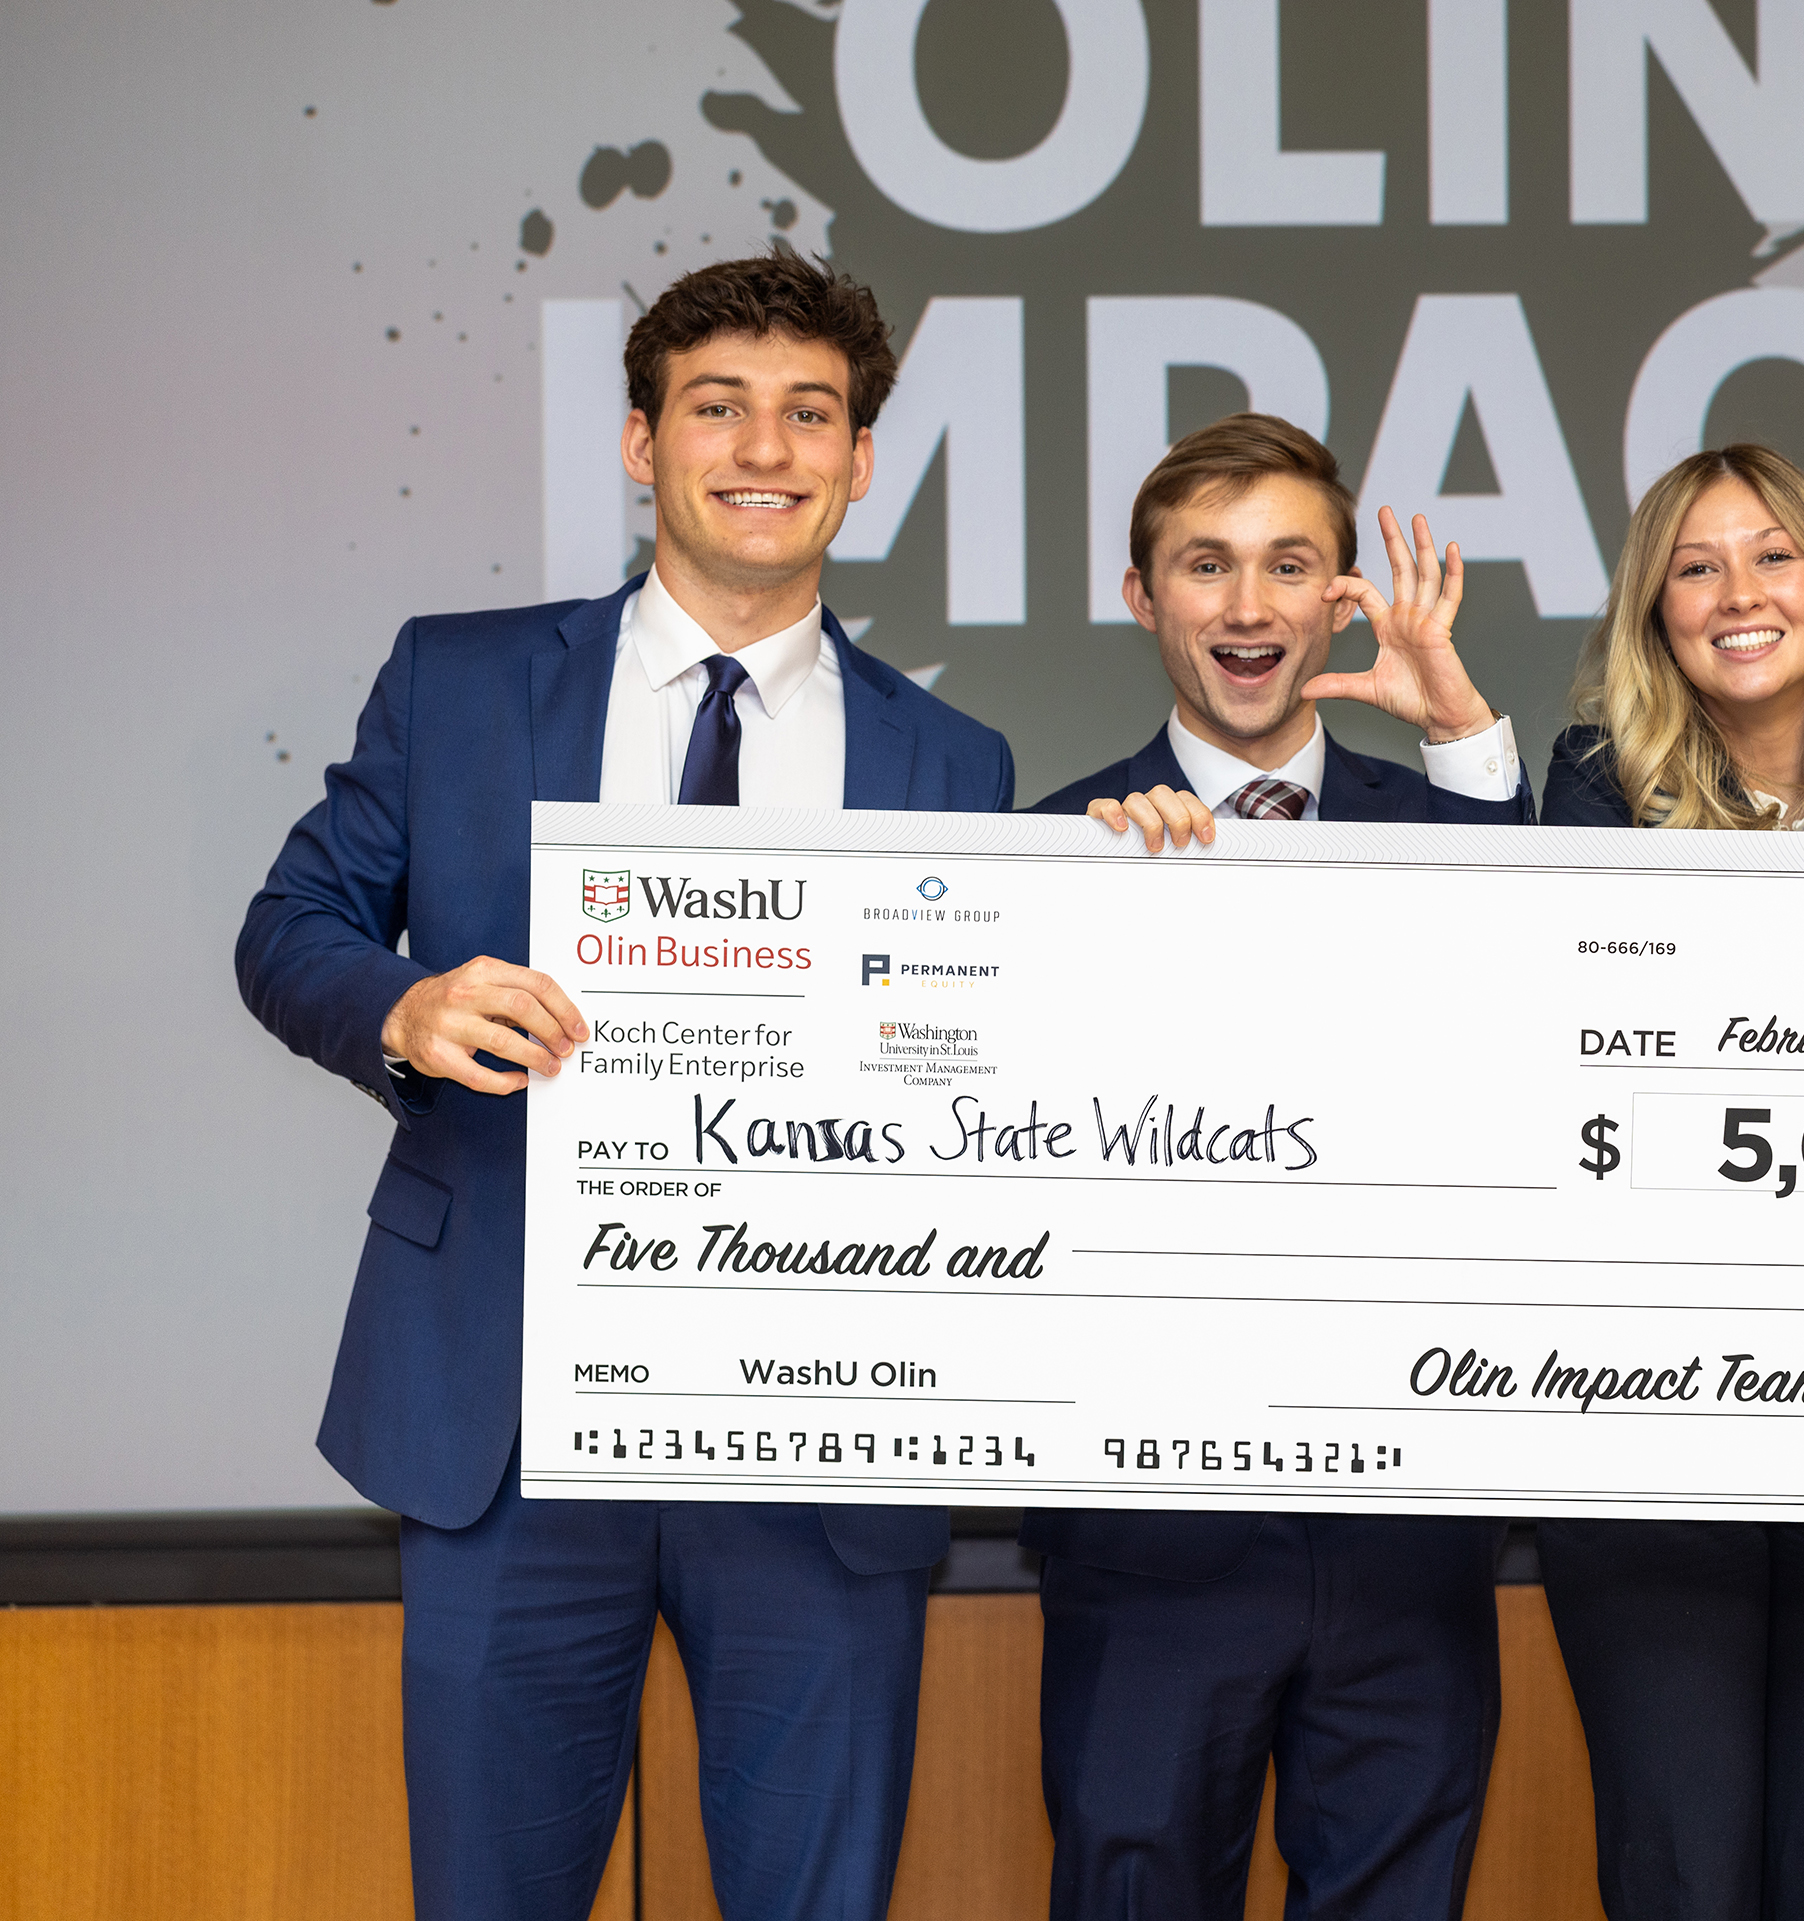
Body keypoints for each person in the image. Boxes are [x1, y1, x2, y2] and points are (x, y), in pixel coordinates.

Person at [233, 252, 1012, 1921]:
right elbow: (288, 927)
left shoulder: (953, 762)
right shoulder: (458, 680)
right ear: (641, 443)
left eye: (810, 414)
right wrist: (406, 1003)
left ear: (862, 459)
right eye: (718, 407)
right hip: (510, 1419)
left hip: (820, 1432)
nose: (765, 448)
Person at [1019, 412, 1529, 1921]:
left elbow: (1534, 1009)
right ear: (1142, 596)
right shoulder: (1044, 852)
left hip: (1409, 1542)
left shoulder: (1455, 816)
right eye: (1206, 565)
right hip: (1148, 1543)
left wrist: (1460, 728)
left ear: (1340, 599)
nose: (1247, 604)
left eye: (1288, 565)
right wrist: (1103, 914)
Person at [1535, 443, 1804, 1921]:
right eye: (1696, 567)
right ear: (1653, 611)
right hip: (1651, 1443)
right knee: (1682, 1866)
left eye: (1773, 555)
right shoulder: (1594, 792)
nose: (1739, 593)